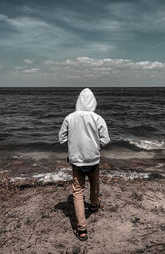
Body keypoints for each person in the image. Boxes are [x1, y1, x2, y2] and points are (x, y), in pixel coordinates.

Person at [58, 88, 110, 241]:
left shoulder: (70, 117)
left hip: (76, 160)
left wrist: (74, 141)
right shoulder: (98, 118)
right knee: (94, 184)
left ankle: (82, 229)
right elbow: (105, 141)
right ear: (93, 102)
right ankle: (93, 205)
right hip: (93, 159)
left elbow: (61, 138)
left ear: (78, 101)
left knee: (78, 192)